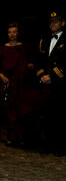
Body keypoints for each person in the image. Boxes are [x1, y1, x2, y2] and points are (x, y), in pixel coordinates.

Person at [34, 11, 65, 156]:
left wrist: (52, 76)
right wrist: (42, 75)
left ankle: (59, 146)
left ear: (63, 23)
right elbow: (38, 60)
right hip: (44, 84)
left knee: (59, 115)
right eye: (51, 22)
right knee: (45, 115)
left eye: (57, 21)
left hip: (60, 83)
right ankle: (46, 144)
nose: (53, 24)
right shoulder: (44, 40)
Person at [0, 22, 32, 147]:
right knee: (9, 111)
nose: (12, 34)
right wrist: (1, 76)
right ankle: (11, 137)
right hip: (7, 83)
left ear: (18, 33)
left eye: (14, 32)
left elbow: (28, 63)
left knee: (21, 110)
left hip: (21, 84)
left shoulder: (23, 47)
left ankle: (22, 137)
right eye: (10, 32)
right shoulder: (2, 48)